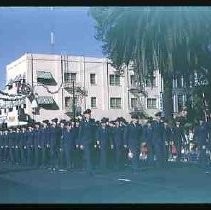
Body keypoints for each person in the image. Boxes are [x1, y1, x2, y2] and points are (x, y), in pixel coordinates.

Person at [78, 109, 96, 175]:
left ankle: (85, 168)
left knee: (88, 155)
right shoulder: (82, 122)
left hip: (91, 141)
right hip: (85, 141)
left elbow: (94, 132)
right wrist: (80, 143)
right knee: (88, 155)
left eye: (90, 114)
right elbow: (80, 133)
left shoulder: (92, 122)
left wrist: (95, 142)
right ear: (85, 115)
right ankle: (89, 170)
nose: (89, 115)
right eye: (88, 114)